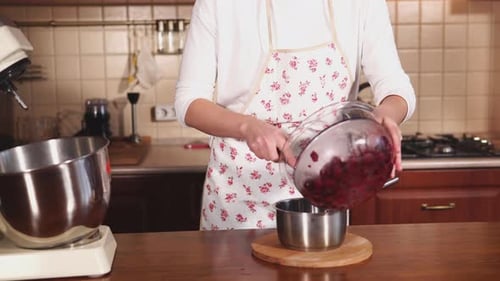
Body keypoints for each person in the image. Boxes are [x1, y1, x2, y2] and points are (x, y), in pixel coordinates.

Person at [175, 0, 416, 230]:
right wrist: (247, 127)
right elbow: (189, 102)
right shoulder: (219, 5)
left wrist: (386, 114)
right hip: (239, 196)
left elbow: (395, 86)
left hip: (326, 193)